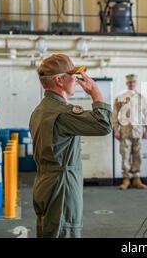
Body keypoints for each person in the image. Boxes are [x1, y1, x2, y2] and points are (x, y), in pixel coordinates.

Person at [30, 54, 112, 237]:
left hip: (44, 182)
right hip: (62, 187)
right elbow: (104, 124)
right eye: (73, 75)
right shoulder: (62, 113)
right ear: (59, 80)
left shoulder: (40, 110)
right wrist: (95, 93)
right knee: (64, 231)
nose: (76, 79)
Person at [113, 74, 147, 190]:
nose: (131, 84)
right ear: (126, 83)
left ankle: (136, 178)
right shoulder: (121, 97)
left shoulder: (141, 98)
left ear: (136, 83)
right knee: (125, 155)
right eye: (129, 82)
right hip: (125, 131)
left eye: (133, 82)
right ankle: (126, 179)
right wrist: (116, 129)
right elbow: (115, 114)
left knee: (137, 155)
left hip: (138, 131)